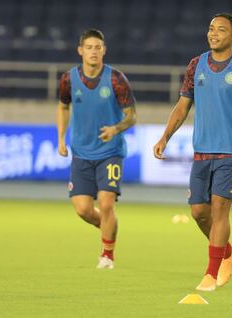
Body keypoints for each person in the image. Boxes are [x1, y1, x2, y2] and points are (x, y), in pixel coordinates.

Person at [153, 13, 232, 291]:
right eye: (211, 29)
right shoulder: (196, 65)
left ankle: (210, 273)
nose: (214, 33)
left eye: (221, 29)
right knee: (198, 213)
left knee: (219, 208)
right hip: (202, 150)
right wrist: (165, 137)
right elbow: (182, 106)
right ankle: (228, 252)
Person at [57, 29, 137, 269]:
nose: (93, 51)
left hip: (109, 152)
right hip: (81, 152)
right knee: (82, 209)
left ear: (104, 50)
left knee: (106, 203)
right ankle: (108, 228)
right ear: (81, 51)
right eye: (89, 47)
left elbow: (131, 116)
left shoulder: (115, 79)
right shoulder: (69, 79)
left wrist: (116, 128)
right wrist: (60, 138)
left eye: (98, 47)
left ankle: (107, 254)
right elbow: (62, 107)